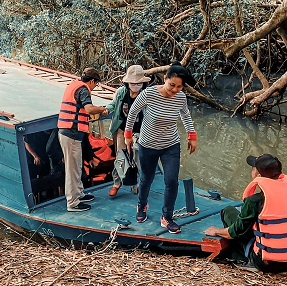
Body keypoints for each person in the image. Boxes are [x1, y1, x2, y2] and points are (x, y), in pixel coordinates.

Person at [204, 154, 287, 273]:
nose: (252, 170)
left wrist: (216, 231)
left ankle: (241, 259)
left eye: (253, 168)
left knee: (228, 212)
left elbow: (235, 232)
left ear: (258, 175)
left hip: (265, 263)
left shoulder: (254, 201)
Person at [124, 62, 197, 234]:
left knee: (171, 181)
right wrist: (127, 135)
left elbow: (185, 115)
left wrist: (192, 136)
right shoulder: (148, 94)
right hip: (148, 144)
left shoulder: (180, 97)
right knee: (146, 179)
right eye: (172, 85)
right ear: (165, 79)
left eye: (179, 86)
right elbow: (133, 112)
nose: (175, 90)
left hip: (170, 144)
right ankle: (142, 205)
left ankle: (167, 217)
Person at [57, 68, 109, 212]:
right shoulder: (84, 89)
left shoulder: (74, 85)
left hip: (70, 134)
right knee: (72, 170)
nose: (94, 87)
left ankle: (79, 194)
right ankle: (73, 203)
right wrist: (102, 110)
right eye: (96, 84)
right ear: (92, 81)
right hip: (71, 134)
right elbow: (89, 108)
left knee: (77, 166)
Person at [106, 64, 150, 197]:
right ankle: (117, 182)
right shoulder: (121, 92)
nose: (136, 85)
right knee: (121, 156)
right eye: (133, 83)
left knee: (137, 158)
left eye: (138, 83)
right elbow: (113, 104)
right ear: (127, 83)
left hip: (139, 132)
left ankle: (135, 184)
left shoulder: (146, 95)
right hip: (121, 129)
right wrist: (107, 110)